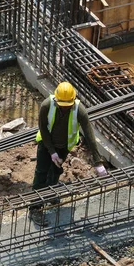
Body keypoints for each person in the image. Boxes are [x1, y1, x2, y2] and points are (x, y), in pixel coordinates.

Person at [30, 81, 107, 226]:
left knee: (55, 171)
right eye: (62, 105)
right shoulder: (47, 105)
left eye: (68, 106)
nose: (65, 108)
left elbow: (89, 135)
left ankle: (51, 193)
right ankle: (35, 207)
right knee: (41, 173)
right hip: (46, 144)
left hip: (64, 146)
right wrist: (51, 151)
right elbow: (43, 129)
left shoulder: (80, 109)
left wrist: (98, 162)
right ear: (56, 99)